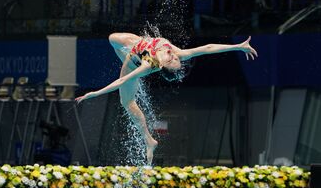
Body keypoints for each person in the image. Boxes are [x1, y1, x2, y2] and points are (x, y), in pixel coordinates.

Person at [75, 33, 258, 164]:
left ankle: (149, 140)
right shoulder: (177, 53)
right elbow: (208, 48)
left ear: (164, 65)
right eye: (176, 60)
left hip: (132, 64)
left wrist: (95, 93)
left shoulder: (150, 64)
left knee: (127, 102)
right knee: (112, 38)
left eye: (174, 60)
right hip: (137, 43)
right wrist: (238, 47)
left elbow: (122, 80)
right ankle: (127, 53)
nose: (174, 56)